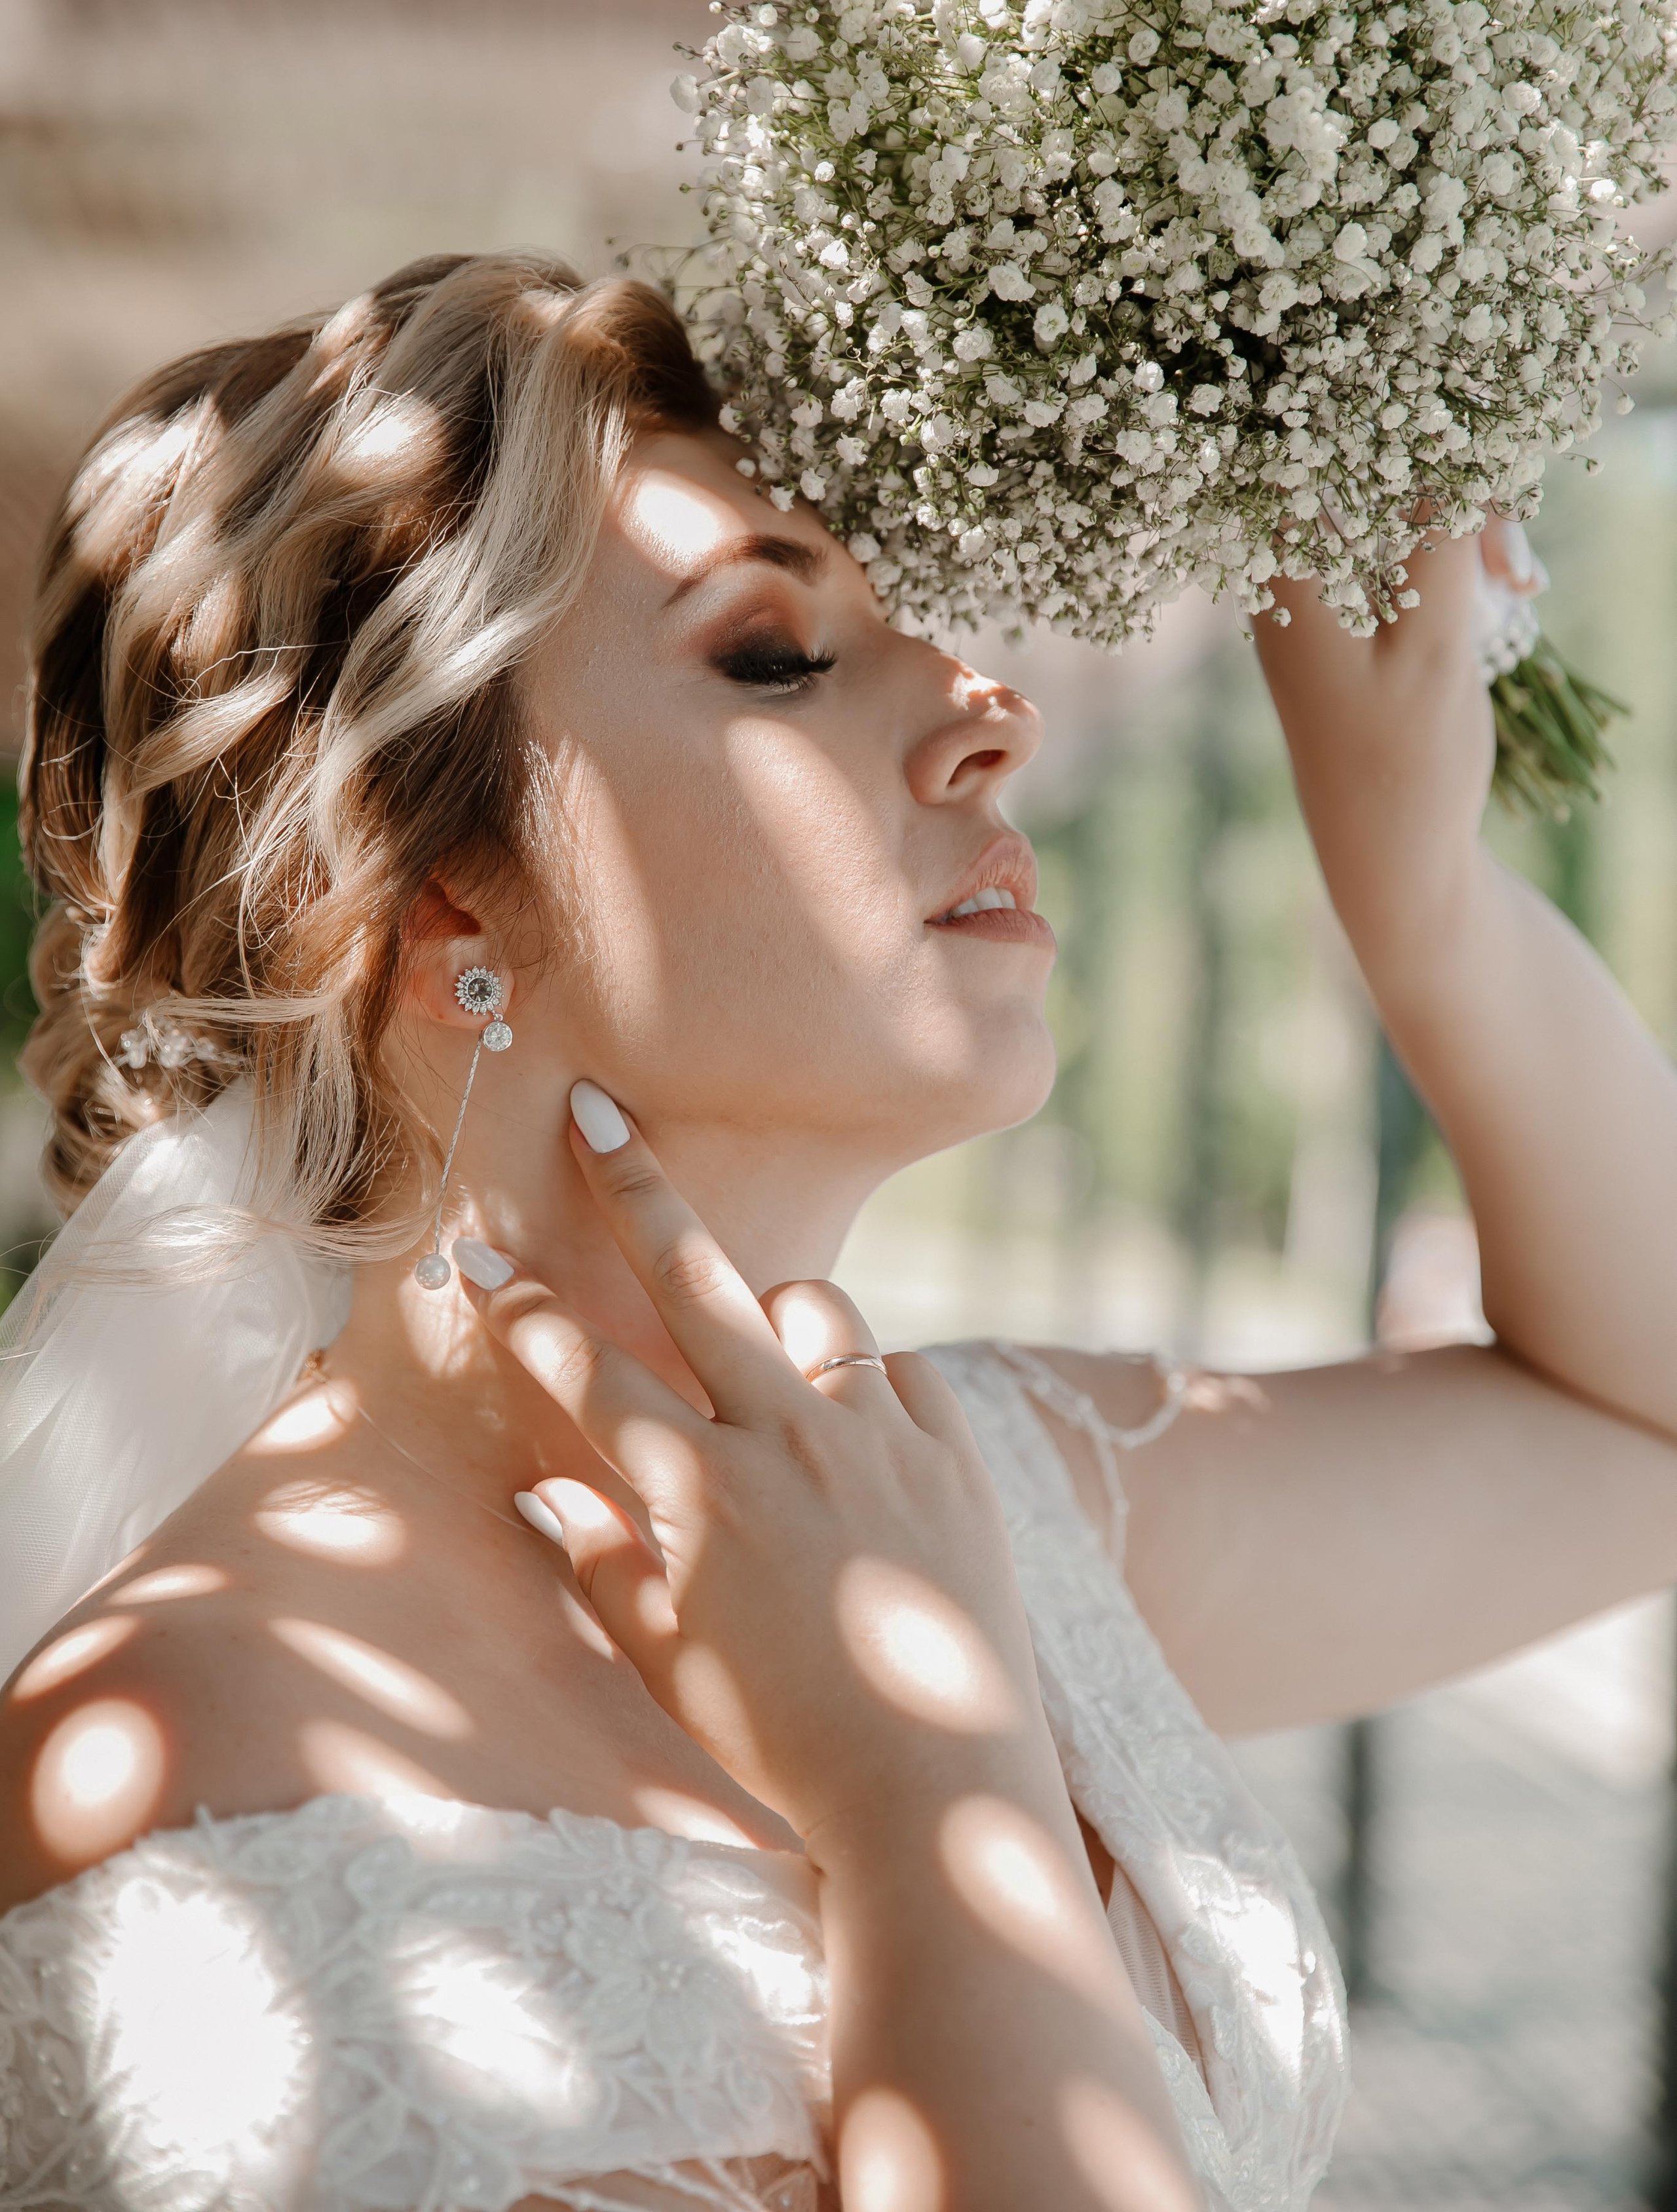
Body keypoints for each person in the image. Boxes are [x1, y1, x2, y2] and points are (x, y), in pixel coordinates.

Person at [0, 251, 1674, 2212]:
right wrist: (920, 1795)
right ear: (443, 889)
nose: (995, 719)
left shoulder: (986, 1495)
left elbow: (1638, 1431)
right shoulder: (182, 1784)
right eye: (777, 651)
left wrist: (1426, 903)